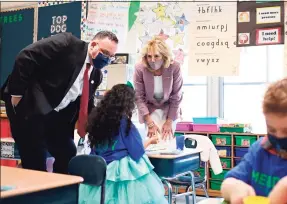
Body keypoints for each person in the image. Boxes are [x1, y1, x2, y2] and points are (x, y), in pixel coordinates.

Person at [0, 31, 118, 174]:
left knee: (67, 151)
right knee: (36, 160)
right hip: (30, 107)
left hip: (55, 117)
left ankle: (59, 189)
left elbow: (86, 103)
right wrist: (16, 94)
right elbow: (26, 56)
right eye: (105, 53)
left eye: (111, 57)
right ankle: (36, 194)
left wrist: (97, 125)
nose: (107, 59)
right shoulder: (67, 44)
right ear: (93, 45)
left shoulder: (96, 75)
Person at [79, 84, 167, 204]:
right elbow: (137, 152)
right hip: (121, 170)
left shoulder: (97, 121)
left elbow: (95, 149)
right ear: (128, 104)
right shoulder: (125, 124)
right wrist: (150, 141)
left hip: (100, 169)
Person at [133, 37, 183, 143]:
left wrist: (169, 122)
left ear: (164, 56)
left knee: (167, 140)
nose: (152, 60)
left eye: (156, 56)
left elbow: (176, 96)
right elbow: (139, 97)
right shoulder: (140, 68)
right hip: (149, 109)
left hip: (169, 108)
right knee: (153, 141)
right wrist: (150, 123)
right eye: (149, 56)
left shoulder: (174, 67)